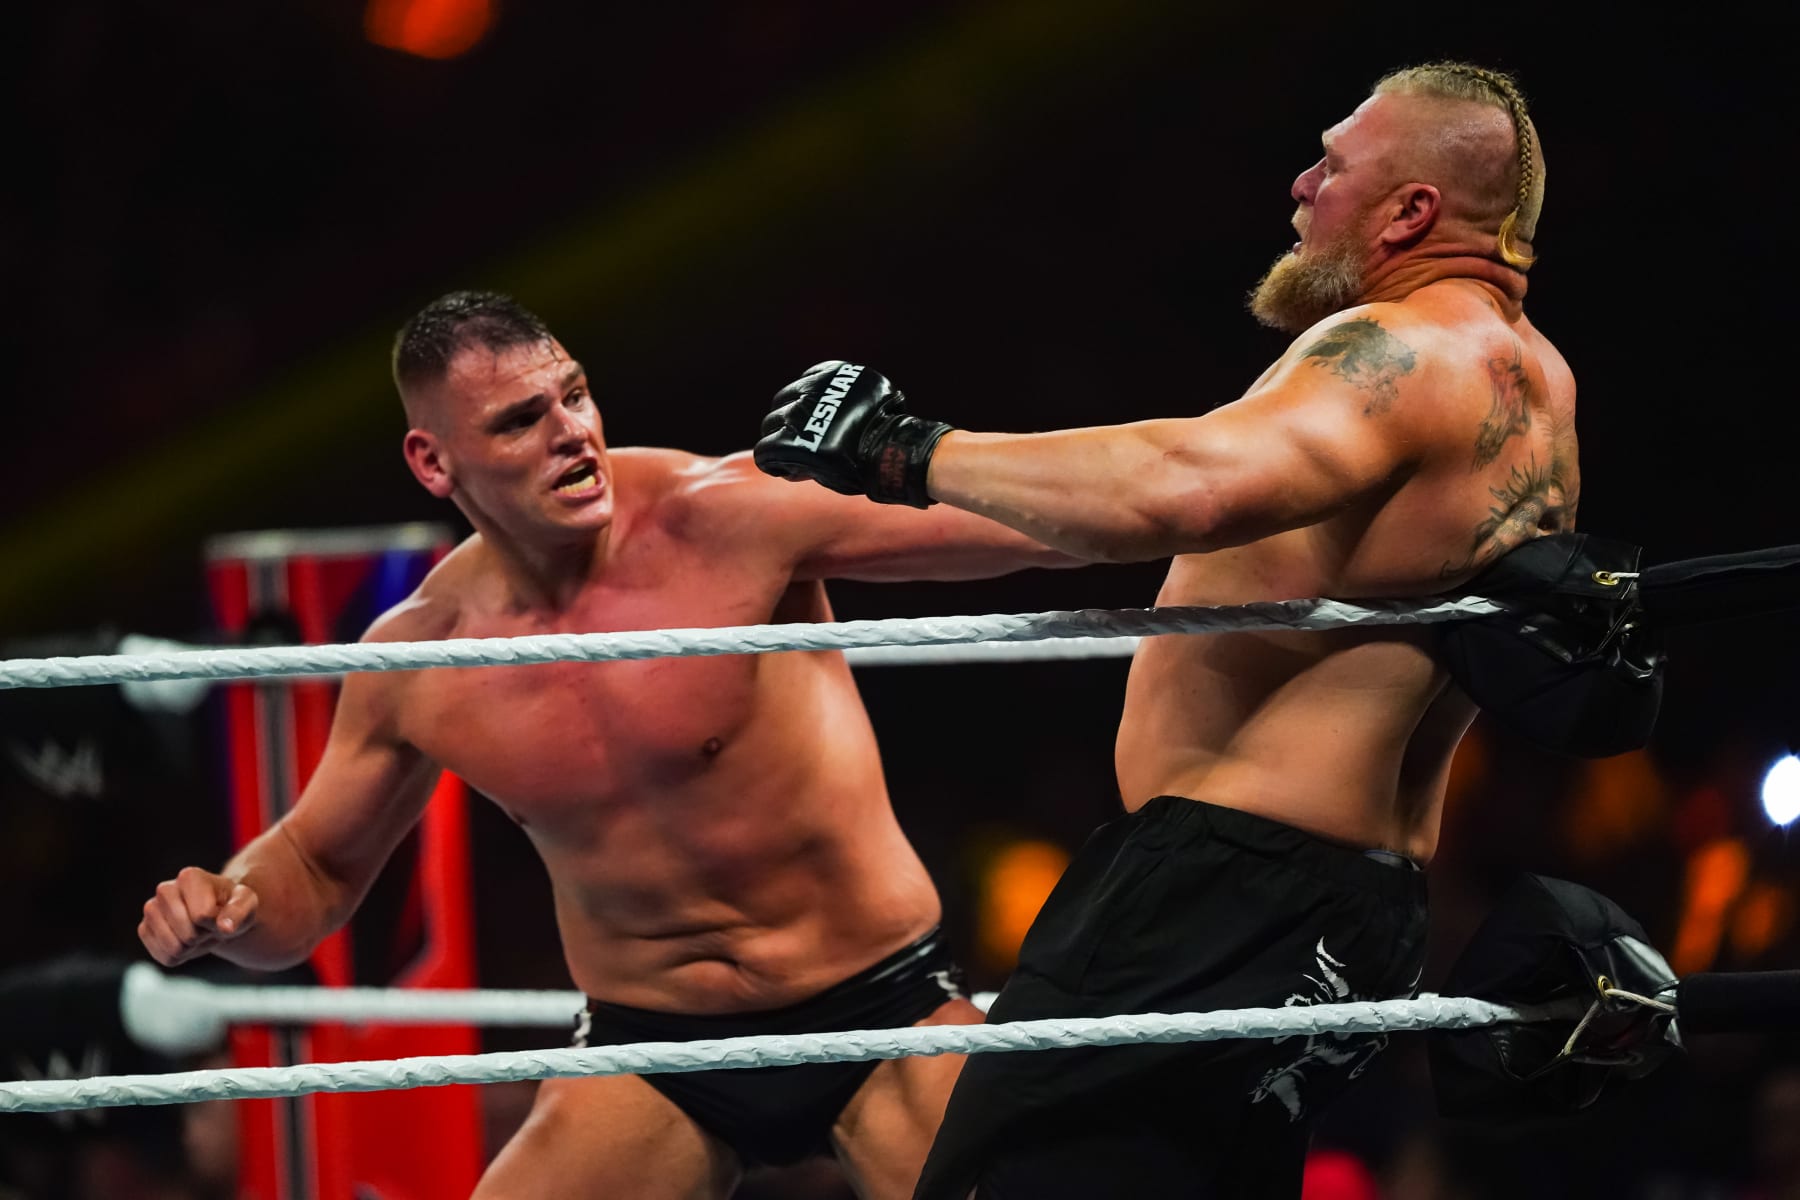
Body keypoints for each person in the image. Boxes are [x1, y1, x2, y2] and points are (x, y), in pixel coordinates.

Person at [756, 62, 1573, 1198]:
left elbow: (1182, 487)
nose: (1302, 185)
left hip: (1222, 900)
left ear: (1411, 212)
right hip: (1353, 915)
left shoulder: (1401, 351)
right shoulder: (1539, 385)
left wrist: (903, 448)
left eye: (1333, 163)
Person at [136, 289, 1082, 1199]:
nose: (571, 433)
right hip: (652, 1050)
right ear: (434, 462)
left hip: (877, 1007)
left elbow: (1038, 526)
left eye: (575, 394)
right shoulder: (422, 655)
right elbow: (315, 866)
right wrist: (234, 906)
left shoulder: (725, 515)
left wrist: (1173, 488)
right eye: (520, 421)